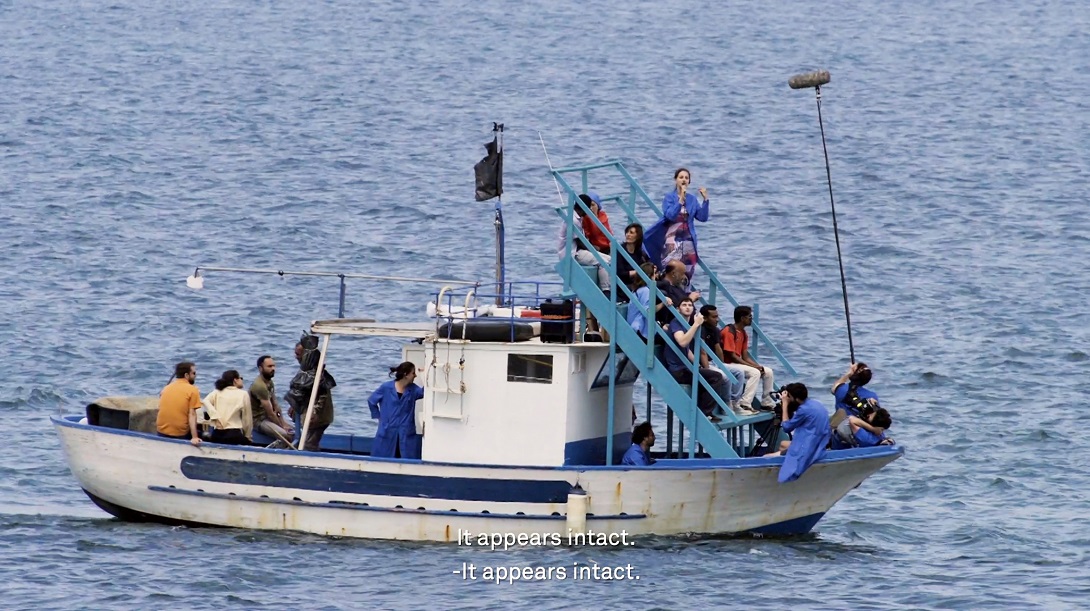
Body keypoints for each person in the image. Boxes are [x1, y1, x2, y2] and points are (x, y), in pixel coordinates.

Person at [663, 298, 731, 423]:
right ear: (678, 309)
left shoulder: (685, 325)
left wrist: (698, 365)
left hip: (686, 368)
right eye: (684, 305)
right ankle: (705, 413)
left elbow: (687, 350)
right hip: (678, 371)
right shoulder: (676, 324)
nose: (687, 307)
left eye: (690, 305)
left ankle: (703, 410)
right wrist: (696, 324)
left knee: (708, 375)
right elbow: (683, 342)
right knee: (716, 377)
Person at [644, 168, 711, 288]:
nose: (684, 180)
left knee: (687, 273)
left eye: (686, 178)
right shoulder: (669, 197)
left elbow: (702, 217)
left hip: (688, 241)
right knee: (672, 270)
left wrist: (706, 200)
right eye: (681, 177)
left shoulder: (692, 199)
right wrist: (680, 201)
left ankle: (684, 298)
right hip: (673, 240)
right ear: (676, 180)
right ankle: (669, 294)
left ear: (689, 181)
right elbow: (669, 215)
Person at [767, 382, 831, 483]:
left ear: (796, 399)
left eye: (789, 396)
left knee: (767, 457)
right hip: (819, 442)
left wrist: (785, 404)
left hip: (808, 447)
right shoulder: (815, 404)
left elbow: (787, 427)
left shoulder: (803, 410)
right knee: (783, 444)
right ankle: (781, 454)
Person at [698, 304, 751, 415]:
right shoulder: (701, 329)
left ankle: (735, 402)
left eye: (717, 316)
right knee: (724, 377)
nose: (717, 319)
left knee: (739, 372)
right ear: (705, 318)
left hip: (714, 362)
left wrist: (722, 365)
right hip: (703, 363)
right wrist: (707, 368)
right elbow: (702, 352)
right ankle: (726, 403)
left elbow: (718, 349)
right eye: (714, 317)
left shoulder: (715, 330)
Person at [720, 305, 776, 410]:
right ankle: (745, 403)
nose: (751, 319)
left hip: (737, 363)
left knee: (768, 371)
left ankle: (766, 402)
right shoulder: (728, 331)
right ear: (742, 318)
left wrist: (757, 366)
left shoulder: (743, 333)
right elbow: (732, 356)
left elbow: (745, 356)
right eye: (749, 317)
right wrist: (754, 368)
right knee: (755, 373)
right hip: (728, 364)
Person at [556, 192, 613, 294]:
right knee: (603, 262)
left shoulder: (578, 218)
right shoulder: (574, 220)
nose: (590, 209)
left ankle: (609, 288)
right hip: (572, 254)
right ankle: (606, 291)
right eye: (589, 207)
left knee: (610, 259)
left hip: (578, 250)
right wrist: (594, 249)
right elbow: (580, 242)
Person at [368, 362, 426, 459]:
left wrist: (425, 374)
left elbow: (425, 392)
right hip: (388, 430)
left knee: (406, 457)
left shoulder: (413, 389)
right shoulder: (386, 388)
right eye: (413, 373)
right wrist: (379, 417)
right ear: (406, 375)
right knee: (383, 457)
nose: (415, 375)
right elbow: (371, 401)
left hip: (406, 432)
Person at [286, 348, 336, 452]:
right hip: (309, 413)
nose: (296, 357)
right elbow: (303, 391)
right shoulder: (306, 370)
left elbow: (323, 395)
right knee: (309, 441)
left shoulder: (318, 374)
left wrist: (314, 411)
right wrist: (294, 405)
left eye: (298, 354)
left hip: (319, 416)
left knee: (309, 444)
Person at [249, 356, 295, 447]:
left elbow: (276, 406)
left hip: (268, 418)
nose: (273, 369)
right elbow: (270, 413)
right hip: (259, 421)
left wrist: (283, 422)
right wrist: (281, 427)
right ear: (260, 368)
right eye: (269, 366)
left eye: (274, 366)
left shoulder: (269, 382)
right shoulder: (259, 386)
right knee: (285, 435)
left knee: (294, 431)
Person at [156, 361, 203, 446]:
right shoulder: (192, 390)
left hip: (161, 431)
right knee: (202, 433)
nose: (196, 375)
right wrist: (194, 437)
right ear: (186, 375)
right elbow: (192, 415)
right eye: (194, 373)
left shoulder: (166, 388)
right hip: (179, 434)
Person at [202, 369, 253, 445]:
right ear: (235, 380)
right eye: (241, 378)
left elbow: (205, 401)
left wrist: (214, 415)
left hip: (217, 434)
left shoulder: (217, 392)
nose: (242, 380)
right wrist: (247, 436)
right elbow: (247, 419)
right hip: (234, 434)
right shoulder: (243, 394)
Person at [830, 362, 880, 427]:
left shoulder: (841, 389)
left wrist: (849, 374)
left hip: (840, 428)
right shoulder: (872, 396)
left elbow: (834, 388)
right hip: (859, 430)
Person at [627, 262, 667, 341]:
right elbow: (648, 311)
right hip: (640, 330)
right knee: (671, 337)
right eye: (654, 274)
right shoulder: (645, 291)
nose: (656, 276)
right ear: (649, 276)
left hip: (639, 327)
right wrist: (663, 303)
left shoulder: (638, 289)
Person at [655, 260, 701, 326]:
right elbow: (673, 309)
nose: (684, 277)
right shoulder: (664, 288)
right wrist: (690, 300)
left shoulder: (677, 287)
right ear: (673, 274)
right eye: (682, 273)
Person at [615, 223, 651, 297]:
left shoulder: (640, 253)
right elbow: (620, 273)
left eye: (631, 233)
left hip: (637, 283)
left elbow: (648, 265)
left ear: (638, 236)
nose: (628, 235)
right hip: (623, 285)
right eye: (627, 232)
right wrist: (636, 272)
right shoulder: (619, 250)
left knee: (662, 287)